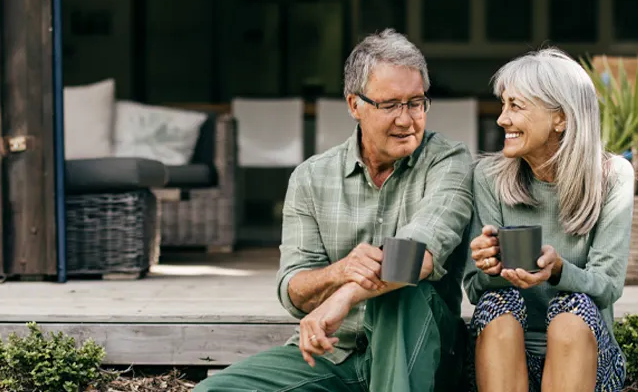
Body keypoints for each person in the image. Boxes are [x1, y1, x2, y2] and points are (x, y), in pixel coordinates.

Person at [195, 28, 474, 392]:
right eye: (390, 105)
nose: (406, 119)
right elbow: (294, 291)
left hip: (424, 355)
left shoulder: (449, 161)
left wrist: (346, 294)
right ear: (354, 105)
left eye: (416, 102)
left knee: (401, 288)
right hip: (335, 354)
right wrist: (339, 272)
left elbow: (418, 254)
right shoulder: (310, 177)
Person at [464, 48, 634, 392]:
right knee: (496, 305)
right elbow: (474, 289)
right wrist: (489, 267)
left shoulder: (613, 176)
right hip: (508, 361)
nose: (502, 119)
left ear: (561, 119)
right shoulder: (487, 177)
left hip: (587, 359)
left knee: (573, 308)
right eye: (503, 104)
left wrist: (558, 271)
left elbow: (607, 287)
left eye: (516, 106)